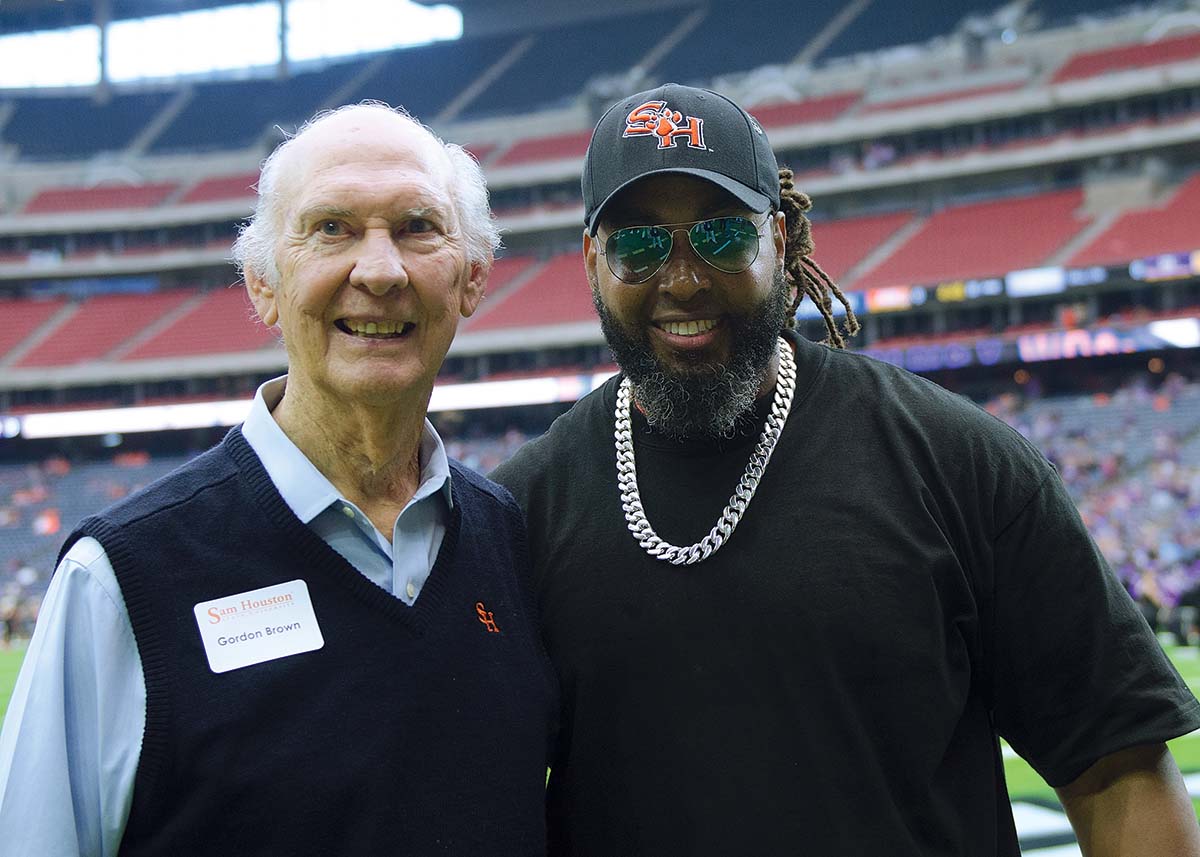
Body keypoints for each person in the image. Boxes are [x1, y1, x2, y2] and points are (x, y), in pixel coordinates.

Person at [491, 83, 1200, 856]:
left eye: (724, 236)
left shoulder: (957, 461)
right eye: (639, 245)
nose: (685, 280)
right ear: (594, 261)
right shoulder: (521, 512)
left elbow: (1119, 773)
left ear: (784, 236)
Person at [0, 104, 556, 856]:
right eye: (331, 228)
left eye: (418, 227)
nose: (381, 270)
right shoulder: (120, 579)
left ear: (473, 278)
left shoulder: (510, 541)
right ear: (262, 284)